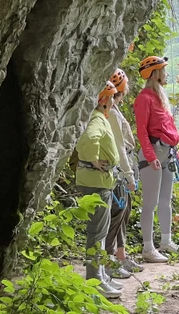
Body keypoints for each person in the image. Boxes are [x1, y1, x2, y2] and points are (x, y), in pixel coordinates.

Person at [75, 81, 124, 299]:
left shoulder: (97, 118)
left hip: (100, 181)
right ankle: (95, 280)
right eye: (112, 97)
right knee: (97, 233)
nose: (114, 101)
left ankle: (100, 275)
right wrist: (93, 160)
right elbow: (88, 139)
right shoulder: (96, 119)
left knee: (100, 232)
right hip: (97, 181)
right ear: (103, 100)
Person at [133, 56, 179, 263]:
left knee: (165, 201)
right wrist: (151, 156)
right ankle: (147, 247)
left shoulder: (160, 96)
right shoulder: (144, 99)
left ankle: (166, 241)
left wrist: (175, 151)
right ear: (155, 73)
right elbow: (142, 131)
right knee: (150, 202)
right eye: (163, 70)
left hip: (167, 152)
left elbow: (168, 126)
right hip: (152, 153)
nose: (166, 74)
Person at [104, 69, 145, 278]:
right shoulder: (110, 112)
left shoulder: (115, 110)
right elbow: (119, 145)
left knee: (125, 211)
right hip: (120, 168)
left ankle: (120, 254)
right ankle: (108, 258)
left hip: (124, 165)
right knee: (117, 212)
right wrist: (128, 174)